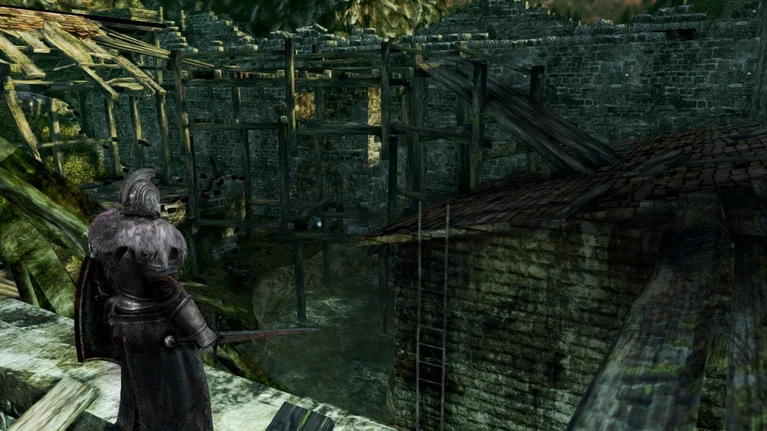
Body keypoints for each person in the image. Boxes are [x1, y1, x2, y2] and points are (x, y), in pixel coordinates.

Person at [80, 168, 216, 430]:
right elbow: (167, 291)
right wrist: (201, 330)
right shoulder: (153, 238)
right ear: (150, 201)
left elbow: (101, 284)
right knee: (179, 391)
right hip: (153, 329)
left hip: (123, 323)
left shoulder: (109, 234)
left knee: (138, 386)